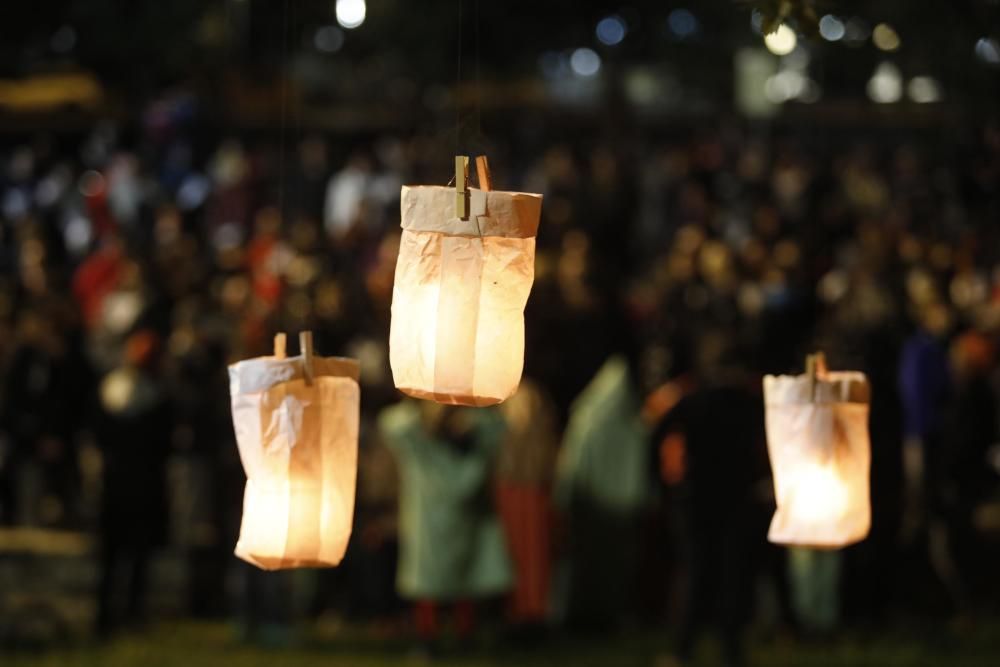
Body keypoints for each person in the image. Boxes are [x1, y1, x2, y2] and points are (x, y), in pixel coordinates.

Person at [649, 340, 768, 667]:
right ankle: (731, 651)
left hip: (694, 497)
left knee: (695, 573)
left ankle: (682, 649)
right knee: (732, 573)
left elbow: (656, 428)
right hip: (736, 496)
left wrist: (667, 479)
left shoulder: (691, 399)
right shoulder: (749, 401)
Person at [378, 400, 511, 653]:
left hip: (458, 526)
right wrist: (430, 400)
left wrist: (464, 408)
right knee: (433, 585)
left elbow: (394, 421)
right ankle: (434, 636)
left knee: (461, 582)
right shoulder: (424, 447)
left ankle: (457, 635)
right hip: (431, 527)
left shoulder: (465, 450)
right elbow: (393, 422)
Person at [92, 330, 173, 638]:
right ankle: (124, 616)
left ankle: (112, 617)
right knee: (130, 557)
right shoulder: (156, 397)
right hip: (139, 486)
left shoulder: (112, 389)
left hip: (119, 484)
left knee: (117, 557)